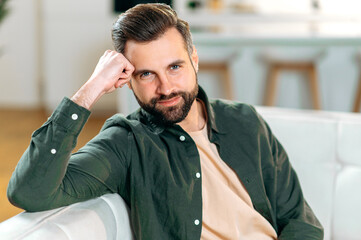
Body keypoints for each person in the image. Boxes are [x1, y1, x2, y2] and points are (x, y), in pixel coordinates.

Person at [7, 3, 323, 240]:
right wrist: (89, 92)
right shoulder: (125, 142)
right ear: (127, 79)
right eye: (147, 74)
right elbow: (30, 192)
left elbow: (300, 220)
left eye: (175, 67)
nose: (166, 87)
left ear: (194, 60)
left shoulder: (244, 121)